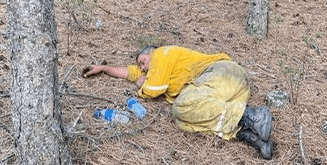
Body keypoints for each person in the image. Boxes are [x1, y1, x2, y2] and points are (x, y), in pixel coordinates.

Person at [83, 45, 275, 159]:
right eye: (141, 66)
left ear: (151, 53)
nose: (142, 67)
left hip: (223, 73)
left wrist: (141, 87)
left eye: (143, 61)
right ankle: (252, 135)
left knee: (181, 105)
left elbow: (152, 90)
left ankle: (252, 115)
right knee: (183, 121)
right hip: (223, 94)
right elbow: (130, 73)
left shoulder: (161, 54)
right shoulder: (152, 68)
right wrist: (104, 68)